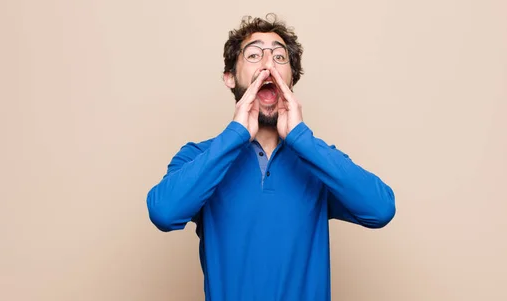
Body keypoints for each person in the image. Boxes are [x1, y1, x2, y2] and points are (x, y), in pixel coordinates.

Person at [146, 13, 396, 301]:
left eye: (279, 58)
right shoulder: (199, 156)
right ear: (229, 77)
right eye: (254, 55)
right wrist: (236, 134)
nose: (268, 64)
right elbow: (164, 212)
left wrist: (301, 137)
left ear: (291, 78)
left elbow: (380, 209)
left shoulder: (317, 159)